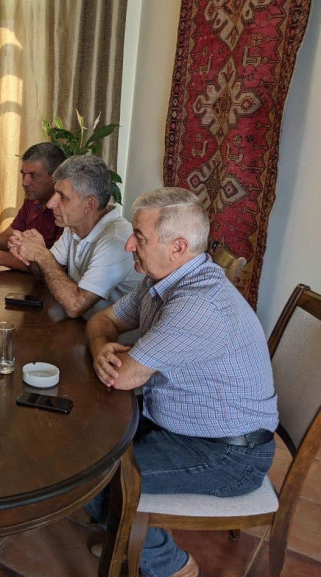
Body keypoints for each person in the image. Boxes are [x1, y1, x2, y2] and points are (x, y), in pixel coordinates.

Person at [86, 187, 278, 577]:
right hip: (180, 425)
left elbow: (122, 377)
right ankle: (127, 529)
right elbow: (101, 321)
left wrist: (113, 358)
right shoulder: (160, 281)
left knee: (93, 480)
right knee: (87, 442)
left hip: (229, 454)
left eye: (139, 237)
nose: (129, 245)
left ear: (177, 247)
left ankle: (171, 564)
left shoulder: (197, 303)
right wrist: (102, 347)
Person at [8, 154, 141, 318]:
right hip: (81, 326)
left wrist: (42, 255)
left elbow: (75, 306)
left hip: (109, 333)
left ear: (89, 205)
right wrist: (29, 251)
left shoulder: (117, 240)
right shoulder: (73, 226)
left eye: (62, 197)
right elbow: (44, 273)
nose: (50, 204)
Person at [0, 143, 65, 270]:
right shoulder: (32, 200)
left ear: (55, 177)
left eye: (33, 175)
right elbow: (9, 233)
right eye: (23, 175)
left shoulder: (66, 211)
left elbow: (53, 267)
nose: (24, 183)